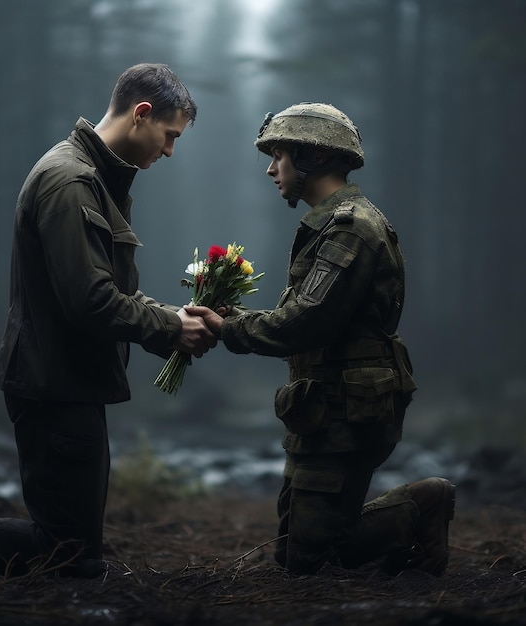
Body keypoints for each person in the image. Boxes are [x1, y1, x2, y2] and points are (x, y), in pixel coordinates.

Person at [0, 63, 217, 578]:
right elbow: (90, 301)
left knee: (72, 546)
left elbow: (108, 292)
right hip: (54, 387)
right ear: (141, 115)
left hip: (68, 382)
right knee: (68, 552)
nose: (169, 151)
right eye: (169, 135)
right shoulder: (71, 182)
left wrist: (172, 318)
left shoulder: (95, 180)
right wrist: (169, 327)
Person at [186, 102, 456, 576]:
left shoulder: (350, 229)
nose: (271, 169)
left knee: (309, 561)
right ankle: (404, 525)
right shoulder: (333, 224)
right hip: (325, 408)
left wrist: (229, 327)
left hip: (347, 410)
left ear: (312, 158)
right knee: (295, 551)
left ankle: (420, 506)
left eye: (280, 156)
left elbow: (306, 321)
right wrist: (238, 319)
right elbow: (308, 315)